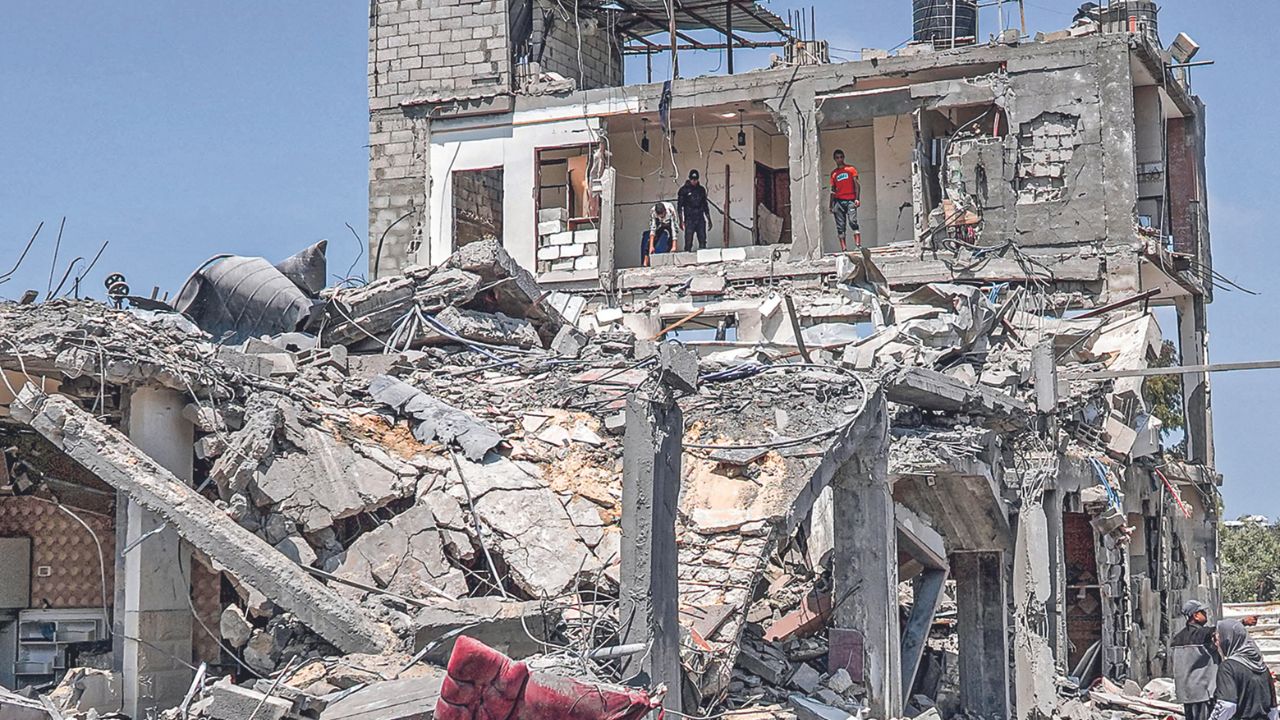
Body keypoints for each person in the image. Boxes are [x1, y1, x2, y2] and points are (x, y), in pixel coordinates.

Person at [1210, 619, 1277, 720]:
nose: (1216, 643)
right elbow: (1273, 708)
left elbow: (1227, 705)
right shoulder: (1262, 667)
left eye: (1218, 638)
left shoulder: (1228, 667)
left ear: (1227, 639)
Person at [1172, 600, 1219, 720]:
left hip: (1187, 694)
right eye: (1203, 612)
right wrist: (1243, 622)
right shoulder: (1203, 634)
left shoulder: (1177, 638)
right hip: (1203, 693)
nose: (1206, 614)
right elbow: (1224, 629)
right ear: (1195, 615)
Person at [829, 149, 861, 252]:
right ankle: (844, 249)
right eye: (837, 158)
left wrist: (857, 199)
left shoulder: (851, 169)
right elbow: (833, 190)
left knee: (853, 221)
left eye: (841, 157)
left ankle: (858, 245)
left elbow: (857, 185)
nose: (839, 159)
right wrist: (831, 205)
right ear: (834, 159)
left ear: (844, 157)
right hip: (838, 201)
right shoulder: (834, 174)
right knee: (840, 226)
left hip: (850, 200)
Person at [677, 169, 712, 252]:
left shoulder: (701, 190)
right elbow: (679, 207)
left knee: (702, 240)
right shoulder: (684, 190)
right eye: (692, 179)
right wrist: (681, 221)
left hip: (700, 217)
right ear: (689, 179)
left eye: (695, 179)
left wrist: (709, 219)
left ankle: (703, 258)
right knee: (688, 242)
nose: (694, 181)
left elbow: (705, 205)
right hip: (689, 219)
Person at [641, 202, 675, 267]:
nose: (662, 217)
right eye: (660, 215)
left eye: (662, 215)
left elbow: (674, 228)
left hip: (669, 221)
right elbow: (652, 229)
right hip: (659, 222)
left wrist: (674, 245)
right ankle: (645, 262)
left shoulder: (670, 210)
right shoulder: (653, 212)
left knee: (671, 239)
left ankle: (669, 259)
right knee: (651, 241)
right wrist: (651, 246)